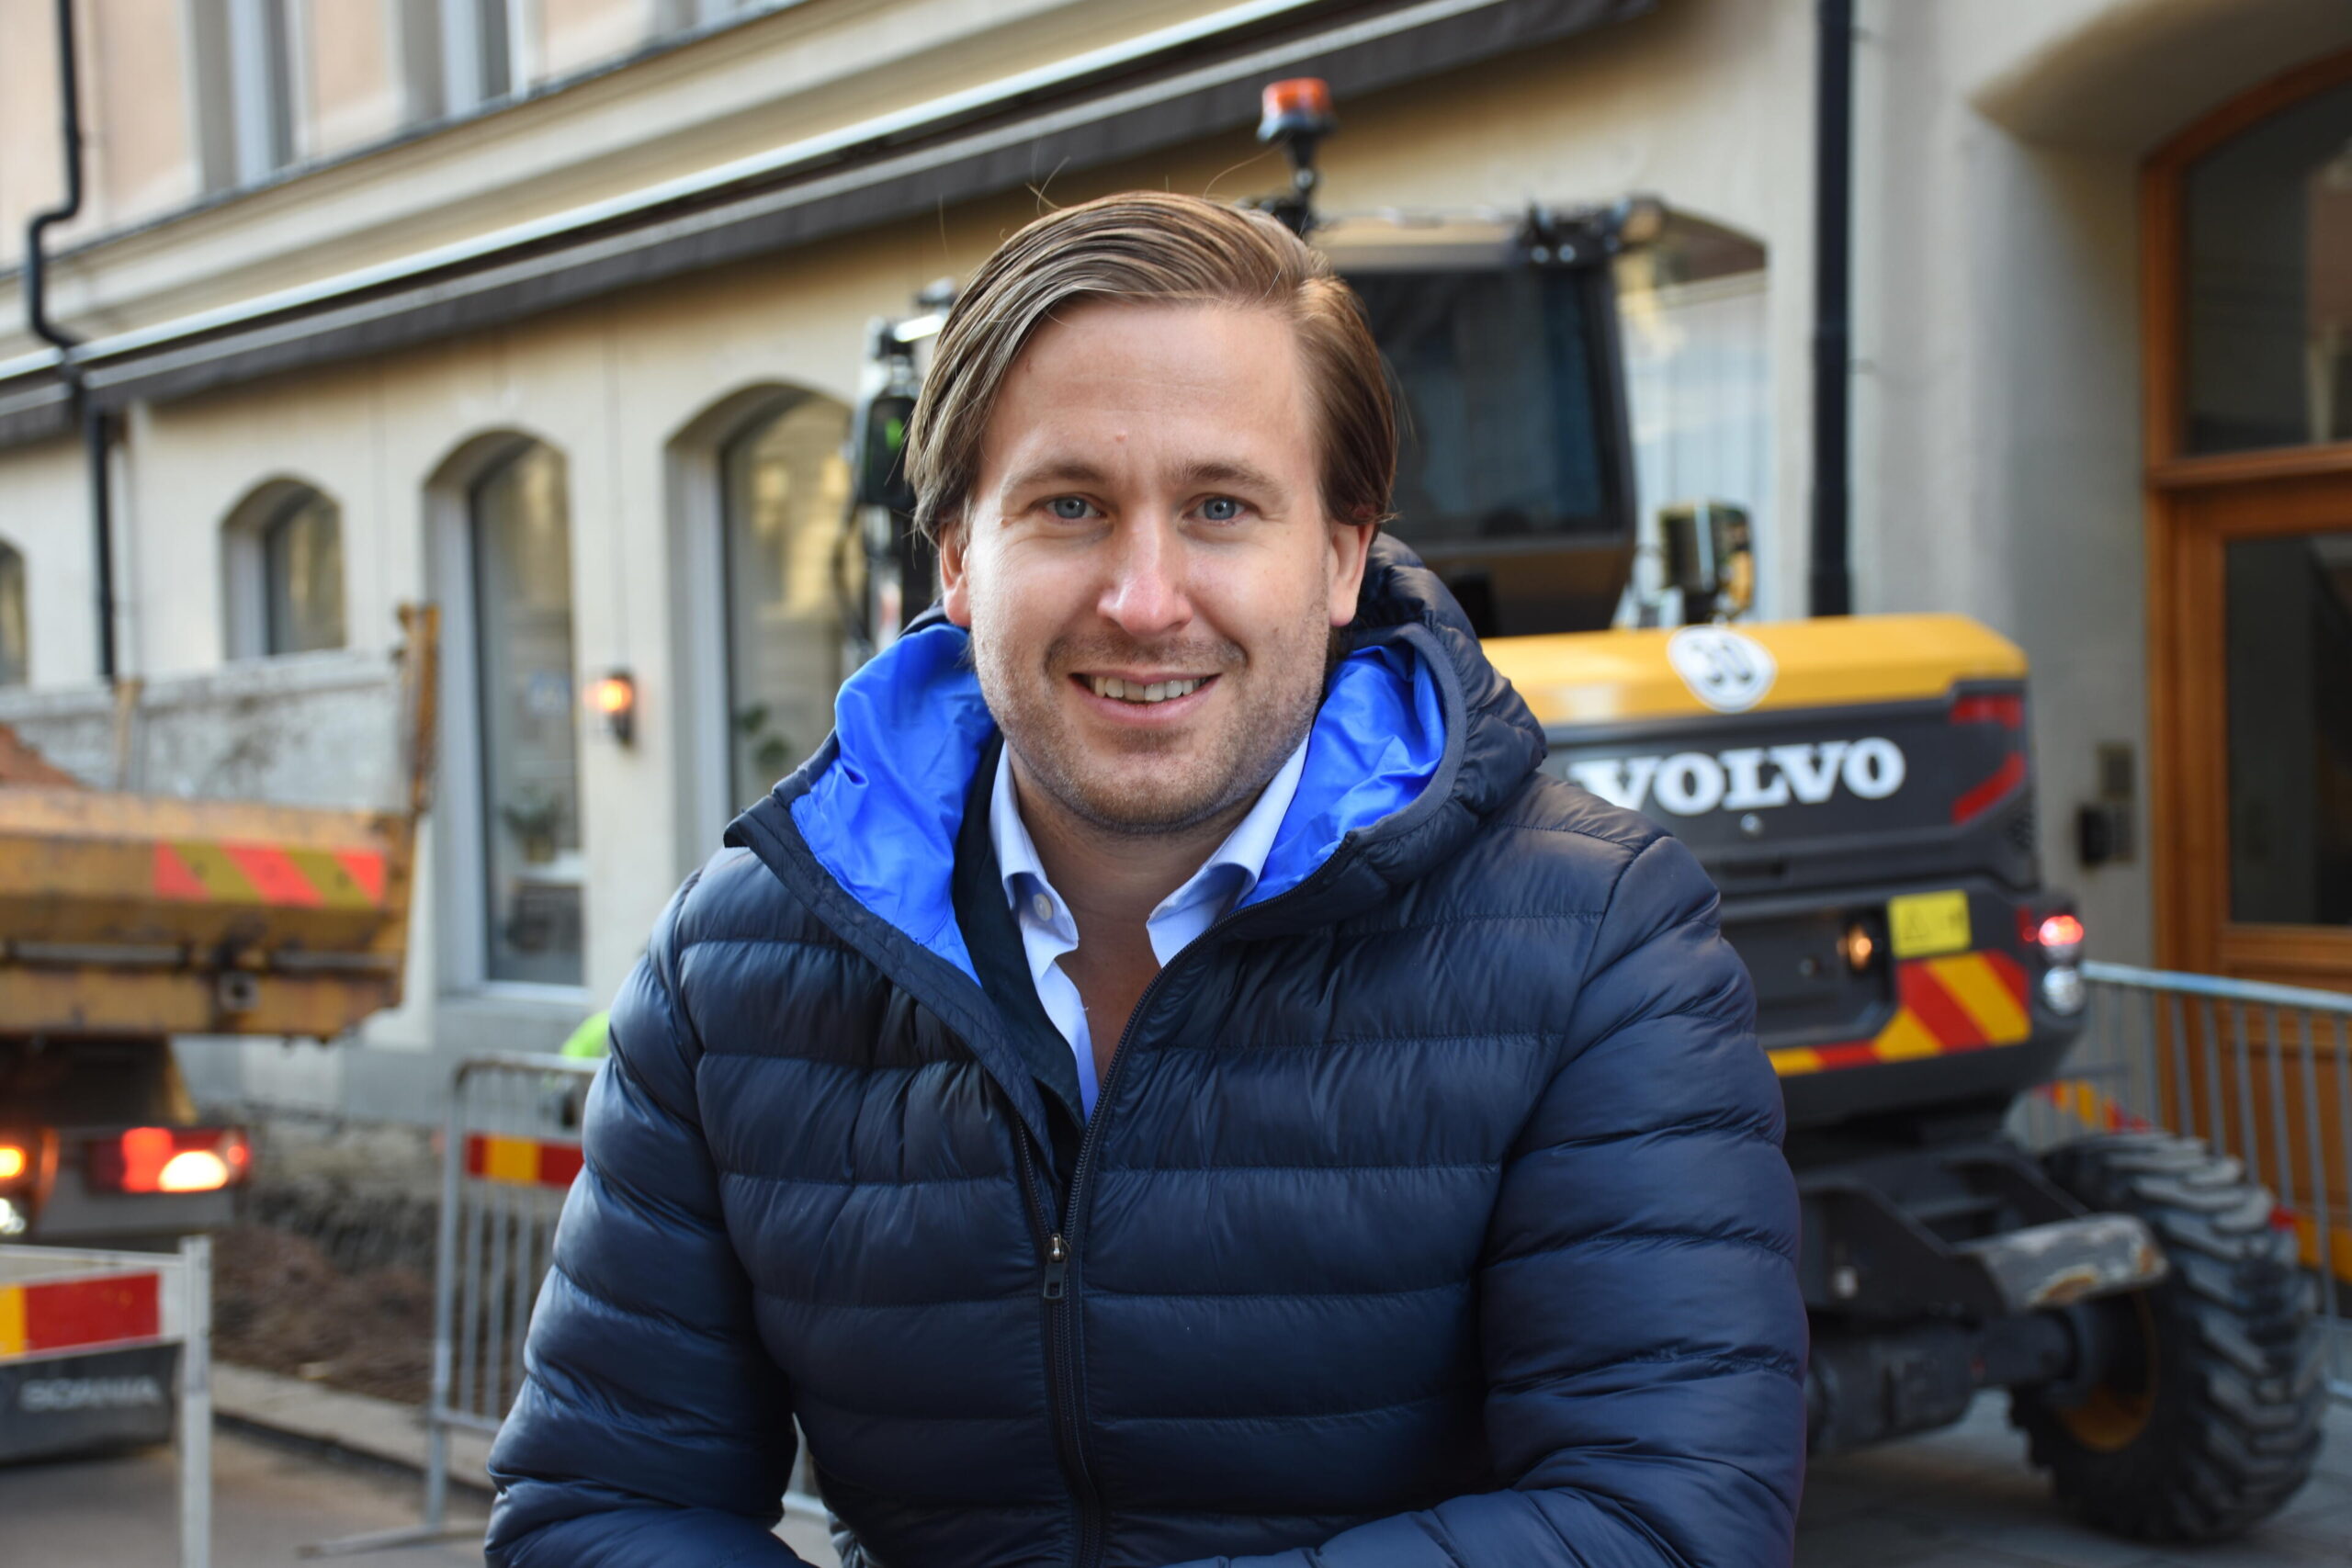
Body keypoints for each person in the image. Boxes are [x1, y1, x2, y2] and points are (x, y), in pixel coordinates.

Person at [486, 191, 1806, 1568]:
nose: (1144, 599)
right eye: (1070, 506)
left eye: (1220, 507)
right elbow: (600, 1507)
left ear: (1341, 555)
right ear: (958, 558)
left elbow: (1664, 1525)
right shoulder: (732, 968)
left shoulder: (1602, 942)